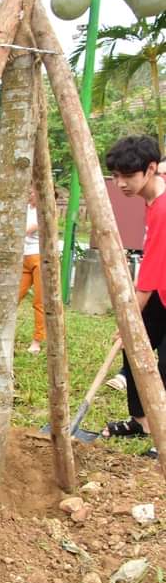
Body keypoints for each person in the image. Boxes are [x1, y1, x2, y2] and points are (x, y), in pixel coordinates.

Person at [100, 134, 166, 459]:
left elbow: (148, 281)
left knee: (164, 366)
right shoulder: (155, 189)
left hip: (158, 287)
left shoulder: (164, 210)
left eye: (128, 176)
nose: (121, 183)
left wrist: (129, 317)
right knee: (132, 343)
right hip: (163, 291)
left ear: (150, 169)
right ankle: (141, 422)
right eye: (116, 176)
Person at [19, 190, 46, 354]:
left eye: (32, 190)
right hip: (23, 257)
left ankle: (37, 340)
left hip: (40, 256)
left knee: (39, 301)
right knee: (13, 296)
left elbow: (27, 229)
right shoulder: (25, 207)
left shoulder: (45, 209)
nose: (29, 192)